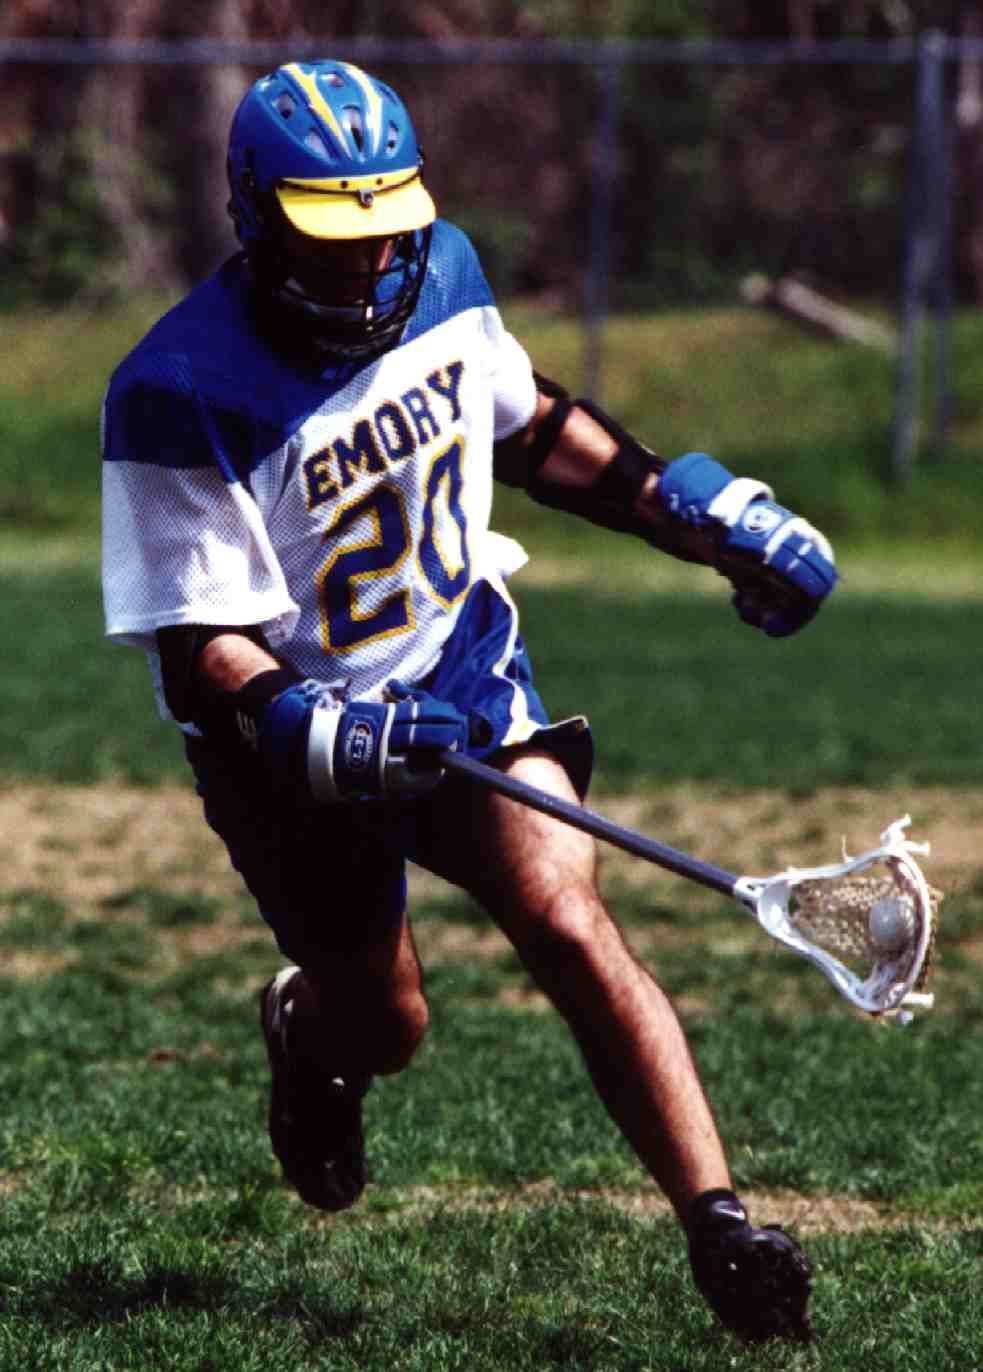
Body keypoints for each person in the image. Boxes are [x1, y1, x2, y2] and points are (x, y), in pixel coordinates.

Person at [101, 59, 835, 1344]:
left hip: (454, 664)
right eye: (335, 238)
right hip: (292, 742)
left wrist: (687, 511)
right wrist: (316, 725)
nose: (373, 262)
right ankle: (306, 1031)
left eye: (388, 227)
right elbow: (199, 644)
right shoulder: (179, 386)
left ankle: (720, 1224)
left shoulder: (443, 272)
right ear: (256, 219)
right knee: (385, 1023)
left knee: (567, 916)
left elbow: (530, 429)